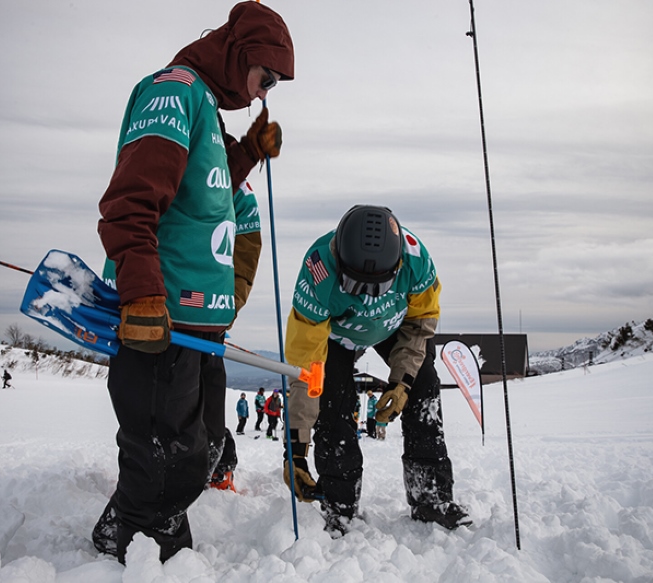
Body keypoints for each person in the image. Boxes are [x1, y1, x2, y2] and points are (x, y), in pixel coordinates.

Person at [92, 2, 294, 564]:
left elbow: (203, 193)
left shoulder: (203, 104)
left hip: (196, 321)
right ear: (241, 54)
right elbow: (130, 201)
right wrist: (142, 291)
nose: (264, 92)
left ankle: (139, 529)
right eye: (267, 76)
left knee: (194, 450)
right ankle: (141, 550)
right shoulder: (174, 91)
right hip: (165, 314)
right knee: (167, 456)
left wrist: (248, 151)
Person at [281, 205, 471, 535]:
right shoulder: (317, 274)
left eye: (377, 288)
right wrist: (295, 452)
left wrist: (402, 383)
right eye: (356, 287)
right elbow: (304, 368)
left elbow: (420, 323)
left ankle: (431, 498)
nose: (367, 298)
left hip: (394, 328)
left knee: (423, 387)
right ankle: (339, 505)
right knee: (333, 404)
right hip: (336, 340)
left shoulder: (416, 261)